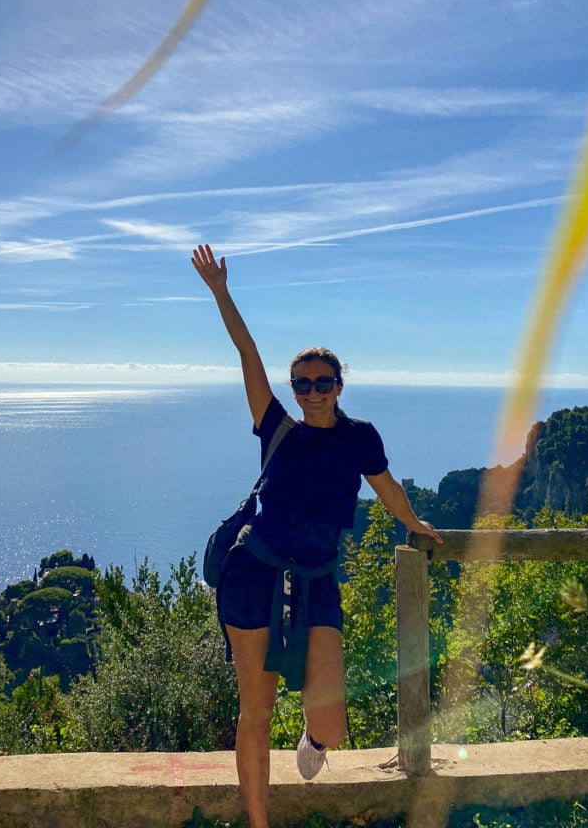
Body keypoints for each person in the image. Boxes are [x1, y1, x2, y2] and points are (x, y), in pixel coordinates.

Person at [191, 243, 442, 828]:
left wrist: (413, 523)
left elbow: (385, 487)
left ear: (339, 385)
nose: (310, 392)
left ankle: (315, 743)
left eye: (322, 382)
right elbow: (247, 353)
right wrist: (221, 292)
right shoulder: (276, 426)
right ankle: (259, 822)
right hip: (254, 571)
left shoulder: (359, 437)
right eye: (301, 383)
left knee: (330, 723)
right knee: (254, 712)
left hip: (317, 580)